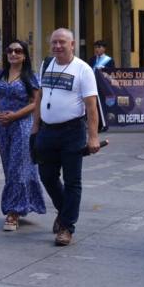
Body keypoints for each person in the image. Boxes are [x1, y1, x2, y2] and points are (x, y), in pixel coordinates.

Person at [32, 28, 101, 246]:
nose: (57, 46)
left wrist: (93, 137)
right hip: (47, 131)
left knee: (72, 181)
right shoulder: (46, 64)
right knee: (47, 176)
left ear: (72, 44)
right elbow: (40, 96)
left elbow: (91, 108)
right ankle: (64, 212)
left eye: (62, 42)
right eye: (54, 42)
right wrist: (35, 127)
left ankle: (67, 227)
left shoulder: (83, 70)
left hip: (72, 131)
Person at [0, 40, 46, 231]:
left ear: (24, 55)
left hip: (22, 126)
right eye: (10, 50)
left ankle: (13, 212)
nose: (13, 53)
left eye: (18, 51)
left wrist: (16, 115)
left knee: (17, 167)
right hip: (3, 127)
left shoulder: (29, 77)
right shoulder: (0, 75)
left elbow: (35, 102)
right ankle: (21, 204)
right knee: (9, 168)